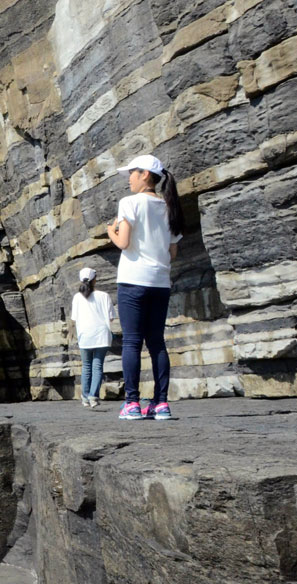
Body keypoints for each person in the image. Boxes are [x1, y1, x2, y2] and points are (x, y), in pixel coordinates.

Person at [106, 154, 184, 421]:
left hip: (132, 280)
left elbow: (124, 243)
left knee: (131, 341)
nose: (129, 177)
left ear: (145, 176)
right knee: (156, 343)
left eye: (132, 172)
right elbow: (172, 252)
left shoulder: (129, 203)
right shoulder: (169, 205)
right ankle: (161, 404)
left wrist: (111, 232)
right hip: (160, 282)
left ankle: (132, 403)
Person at [71, 267, 113, 408]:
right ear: (95, 279)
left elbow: (74, 318)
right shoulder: (104, 295)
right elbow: (111, 317)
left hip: (85, 335)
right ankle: (93, 396)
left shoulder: (77, 297)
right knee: (97, 366)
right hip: (102, 334)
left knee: (86, 366)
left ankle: (85, 396)